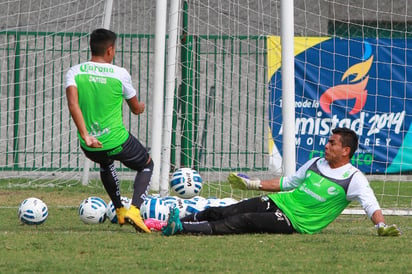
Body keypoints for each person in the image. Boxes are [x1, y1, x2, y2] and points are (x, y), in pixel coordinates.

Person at [161, 127, 400, 236]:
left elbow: (371, 205)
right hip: (277, 201)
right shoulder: (317, 162)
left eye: (332, 143)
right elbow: (288, 182)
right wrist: (252, 184)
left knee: (241, 221)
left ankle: (181, 229)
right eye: (328, 142)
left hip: (293, 221)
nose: (326, 146)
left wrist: (380, 226)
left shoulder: (354, 178)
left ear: (346, 150)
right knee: (223, 210)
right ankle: (172, 223)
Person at [65, 28, 152, 233]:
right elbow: (135, 108)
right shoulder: (120, 73)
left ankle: (120, 210)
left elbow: (73, 105)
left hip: (90, 146)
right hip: (117, 141)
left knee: (105, 163)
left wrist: (86, 136)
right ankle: (135, 210)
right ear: (110, 50)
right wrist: (141, 108)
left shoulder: (75, 72)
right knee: (146, 165)